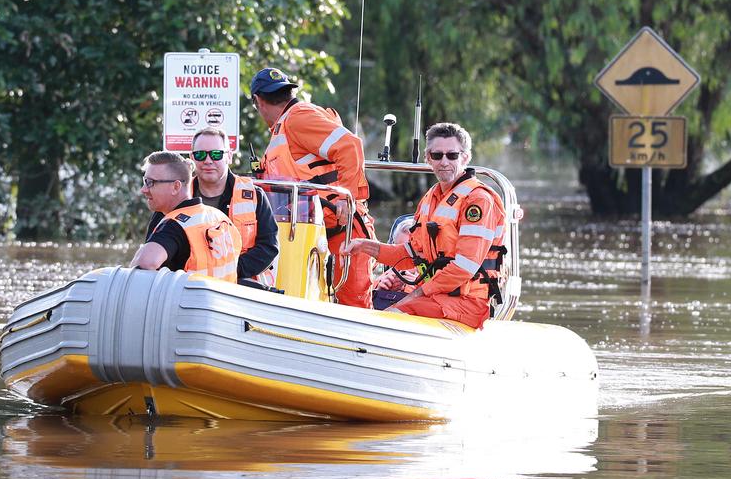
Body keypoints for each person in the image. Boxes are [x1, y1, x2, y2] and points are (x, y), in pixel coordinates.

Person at [344, 122, 507, 329]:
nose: (444, 162)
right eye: (437, 155)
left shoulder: (478, 200)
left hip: (467, 303)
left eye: (452, 155)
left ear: (465, 157)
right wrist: (366, 246)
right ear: (428, 158)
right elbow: (410, 254)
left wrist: (414, 295)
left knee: (392, 315)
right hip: (435, 296)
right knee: (378, 306)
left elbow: (464, 268)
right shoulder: (431, 198)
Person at [249, 66, 376, 307]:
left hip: (342, 231)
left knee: (353, 304)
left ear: (258, 100)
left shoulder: (298, 117)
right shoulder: (282, 130)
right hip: (309, 236)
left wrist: (344, 200)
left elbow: (350, 146)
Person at [182, 126, 280, 287]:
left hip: (242, 287)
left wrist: (230, 270)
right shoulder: (178, 196)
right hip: (189, 285)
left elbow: (269, 247)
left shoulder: (255, 195)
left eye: (216, 154)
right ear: (192, 158)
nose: (208, 161)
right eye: (200, 155)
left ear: (229, 157)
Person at [130, 150, 242, 282]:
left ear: (176, 186)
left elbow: (143, 265)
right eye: (145, 181)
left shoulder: (175, 224)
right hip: (222, 300)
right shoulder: (219, 217)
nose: (143, 189)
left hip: (188, 302)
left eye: (150, 182)